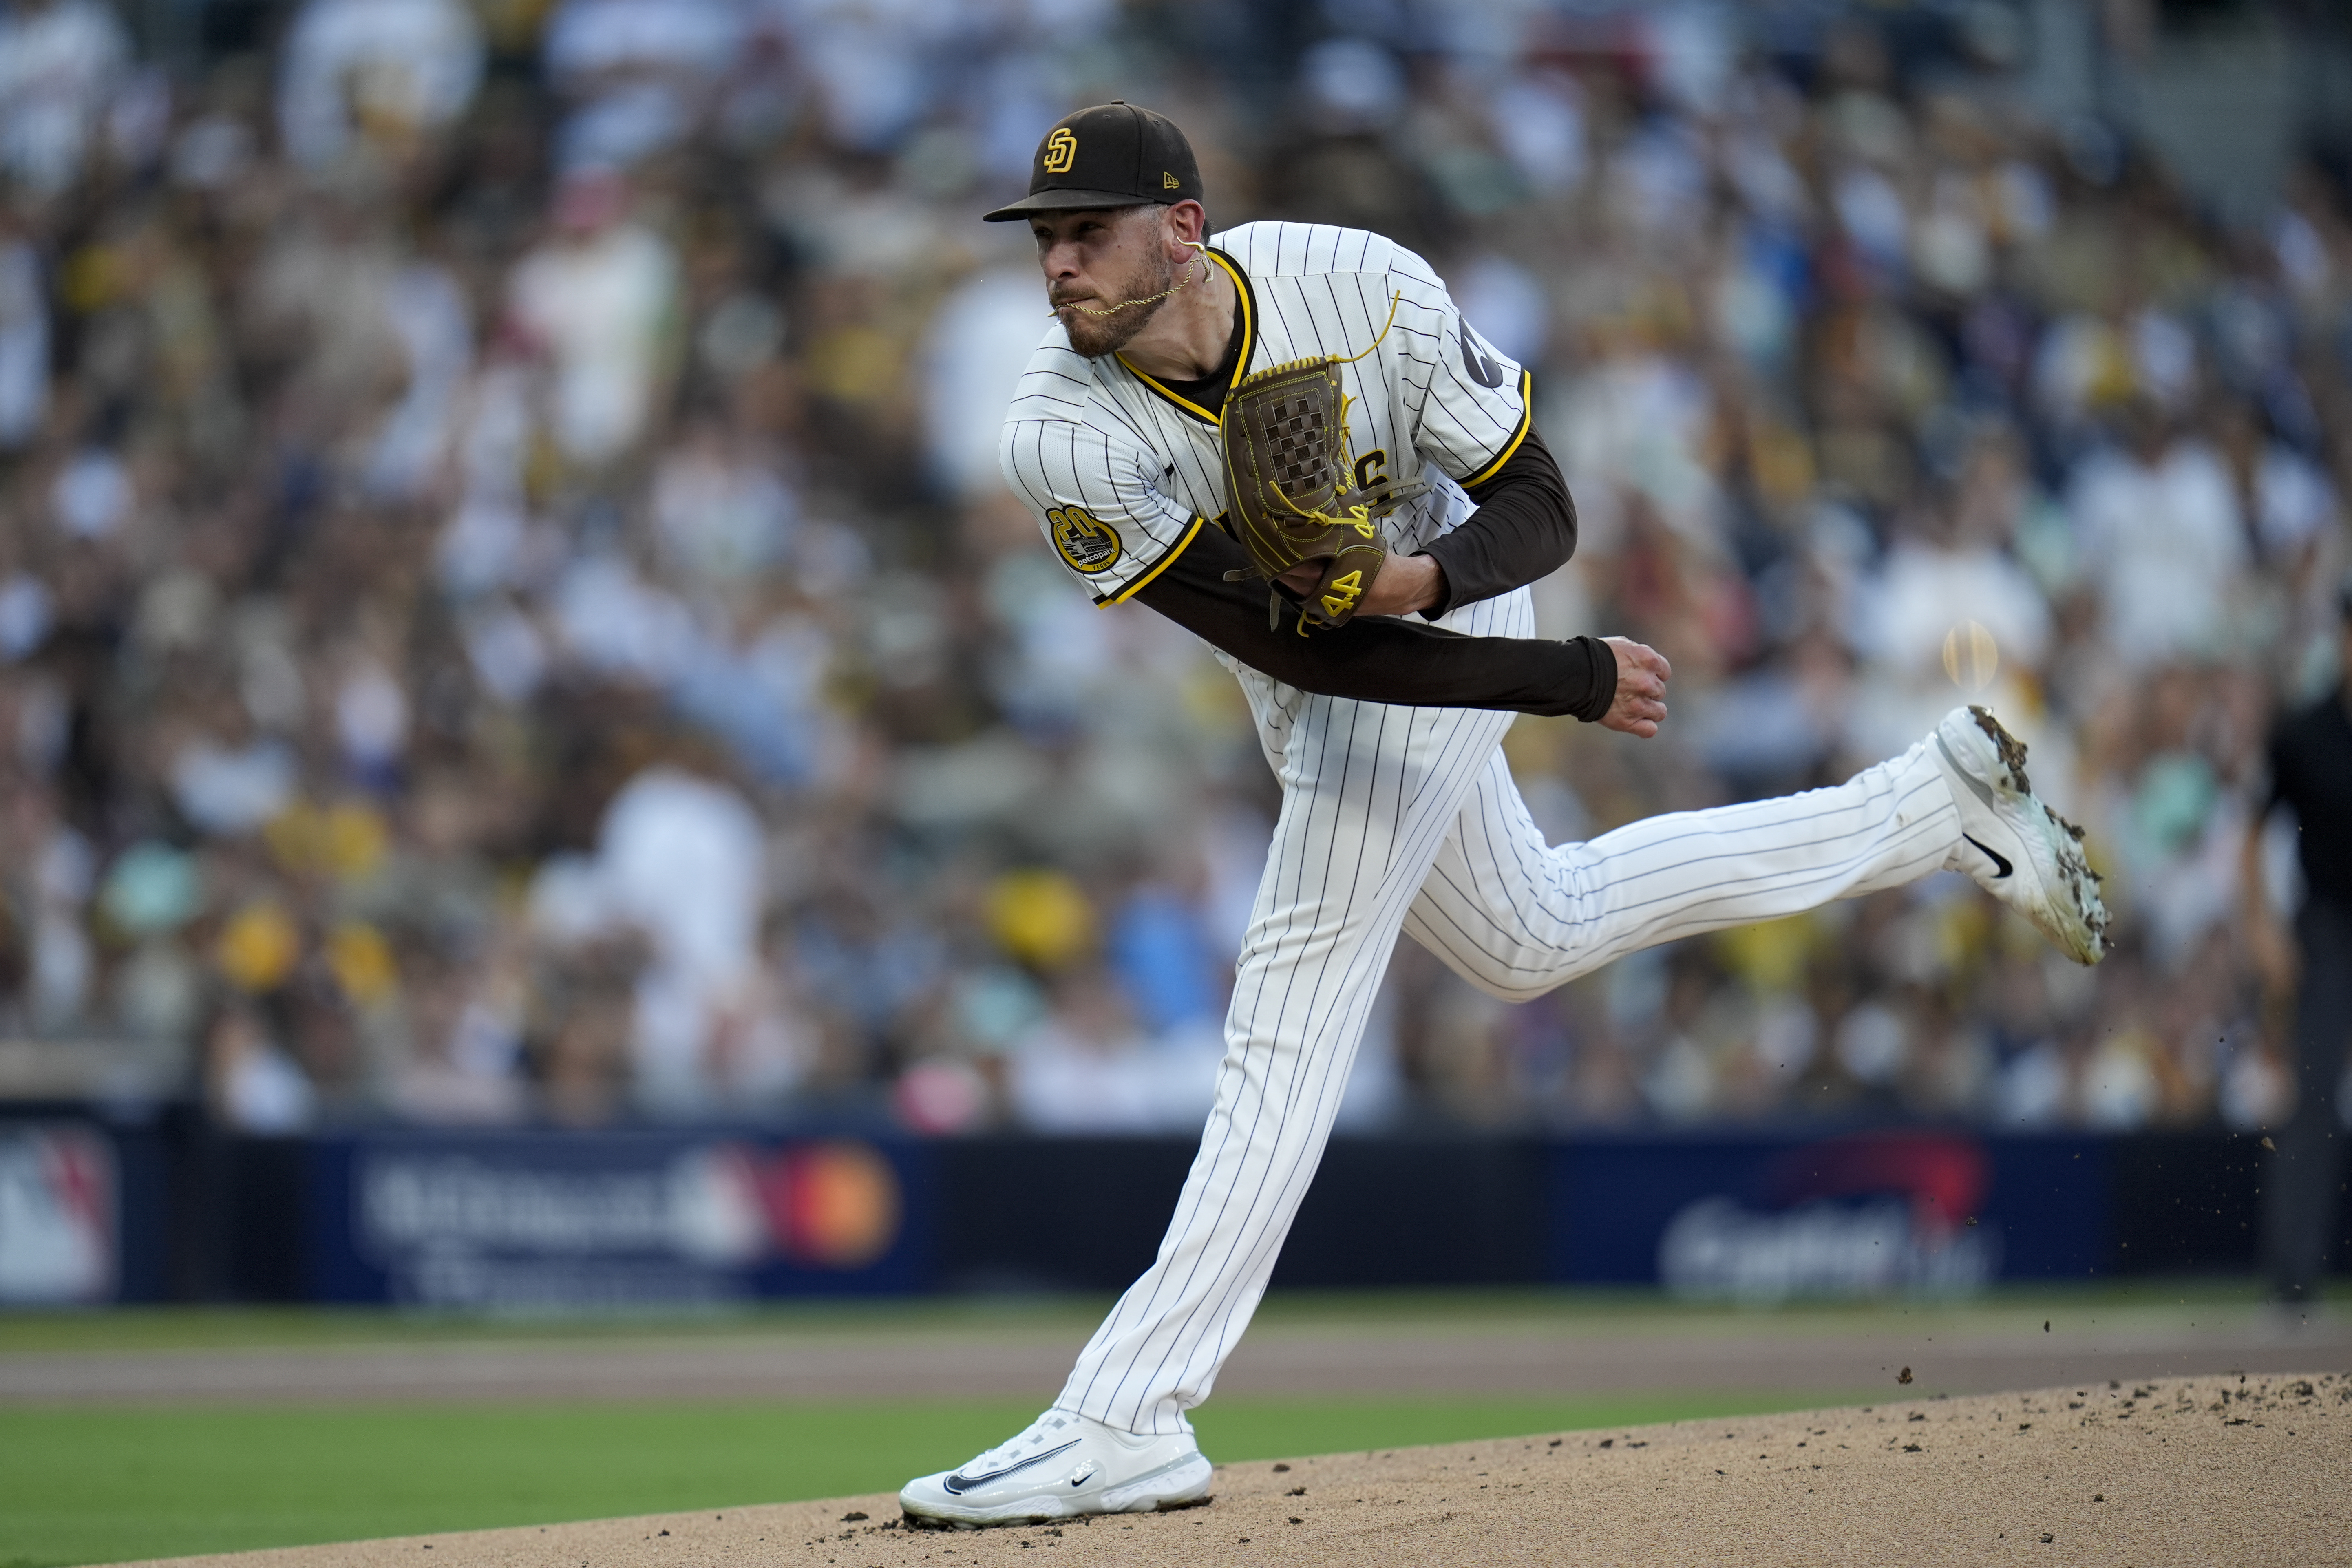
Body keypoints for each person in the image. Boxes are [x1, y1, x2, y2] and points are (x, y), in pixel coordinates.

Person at [898, 102, 2110, 1528]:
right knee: (1532, 933)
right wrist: (1554, 678)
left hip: (1451, 595)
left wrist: (1460, 605)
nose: (1057, 268)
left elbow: (1536, 497)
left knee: (1289, 1007)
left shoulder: (1356, 282)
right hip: (1333, 671)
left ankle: (1129, 1412)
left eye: (1086, 235)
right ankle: (1928, 806)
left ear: (1183, 228)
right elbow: (1301, 648)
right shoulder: (1057, 426)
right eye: (1043, 241)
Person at [2245, 584, 2352, 1312]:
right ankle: (2291, 1278)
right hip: (2327, 926)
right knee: (2311, 1098)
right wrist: (2260, 923)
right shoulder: (2304, 730)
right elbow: (2251, 832)